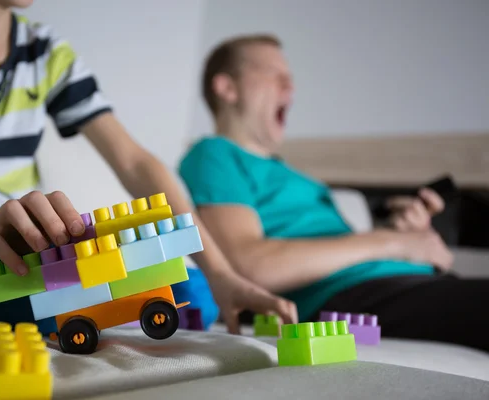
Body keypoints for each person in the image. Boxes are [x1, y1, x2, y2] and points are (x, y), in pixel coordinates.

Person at [0, 0, 298, 333]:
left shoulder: (44, 50)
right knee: (56, 295)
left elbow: (134, 161)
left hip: (8, 236)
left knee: (195, 292)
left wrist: (221, 271)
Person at [179, 34, 489, 351]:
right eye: (276, 76)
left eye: (291, 80)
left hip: (412, 282)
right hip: (352, 293)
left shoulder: (295, 177)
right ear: (227, 88)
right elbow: (249, 267)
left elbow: (340, 249)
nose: (291, 89)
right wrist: (394, 243)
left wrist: (405, 236)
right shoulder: (214, 155)